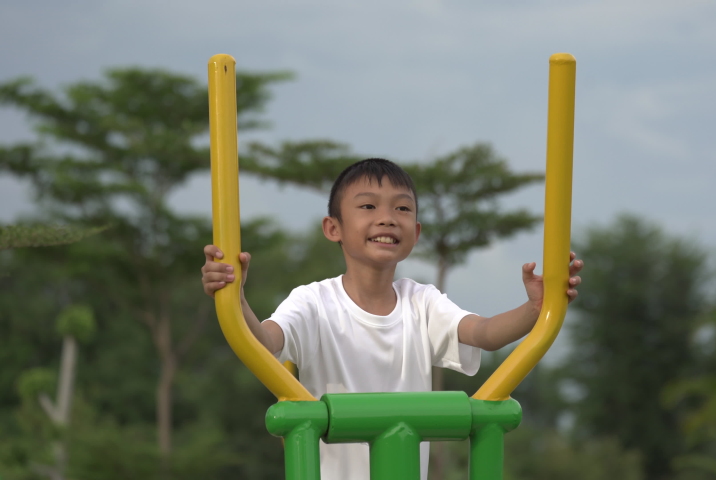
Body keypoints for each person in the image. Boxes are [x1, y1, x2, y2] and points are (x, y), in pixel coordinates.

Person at [200, 158, 583, 480]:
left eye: (401, 209)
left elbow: (483, 333)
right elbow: (265, 343)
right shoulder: (314, 302)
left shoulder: (422, 302)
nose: (386, 219)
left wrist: (535, 308)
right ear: (333, 228)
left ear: (415, 232)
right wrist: (235, 298)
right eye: (368, 207)